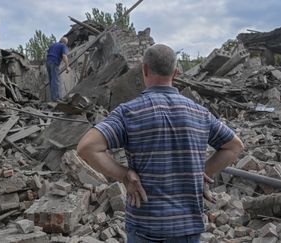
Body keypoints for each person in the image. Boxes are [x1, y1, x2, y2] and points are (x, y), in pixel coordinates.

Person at [77, 44, 243, 242]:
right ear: (176, 73)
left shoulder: (129, 112)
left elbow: (87, 147)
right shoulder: (200, 113)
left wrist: (124, 176)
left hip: (145, 226)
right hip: (187, 227)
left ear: (144, 69)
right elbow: (234, 146)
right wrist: (201, 171)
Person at [46, 37, 70, 102]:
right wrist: (67, 67)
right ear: (65, 42)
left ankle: (53, 98)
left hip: (48, 63)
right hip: (54, 63)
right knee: (56, 81)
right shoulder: (63, 46)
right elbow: (64, 56)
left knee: (52, 81)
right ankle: (56, 98)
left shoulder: (53, 45)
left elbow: (48, 53)